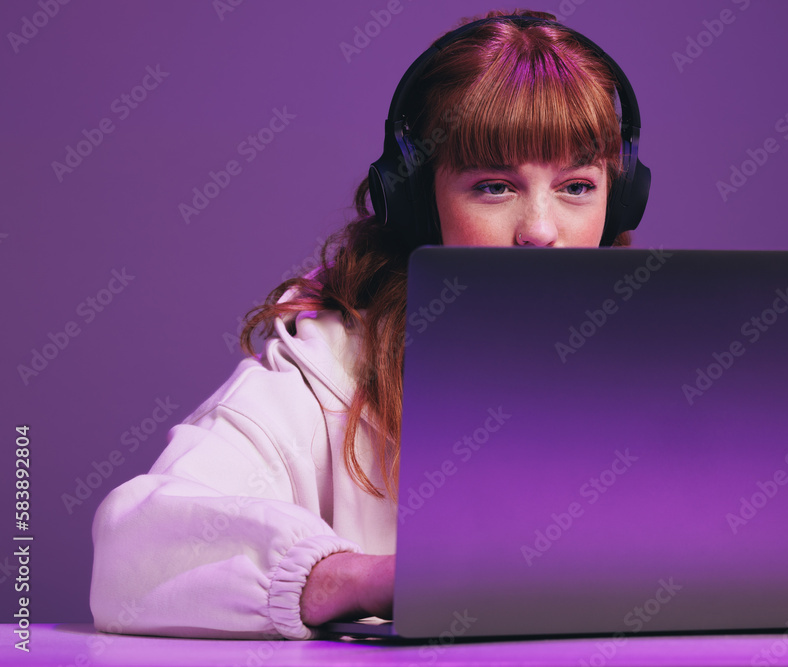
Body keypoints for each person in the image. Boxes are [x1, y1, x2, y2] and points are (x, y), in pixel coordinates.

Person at [90, 9, 648, 640]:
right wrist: (355, 578)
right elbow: (132, 551)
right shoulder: (324, 372)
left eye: (577, 186)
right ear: (415, 200)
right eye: (494, 186)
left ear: (618, 199)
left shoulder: (676, 367)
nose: (541, 231)